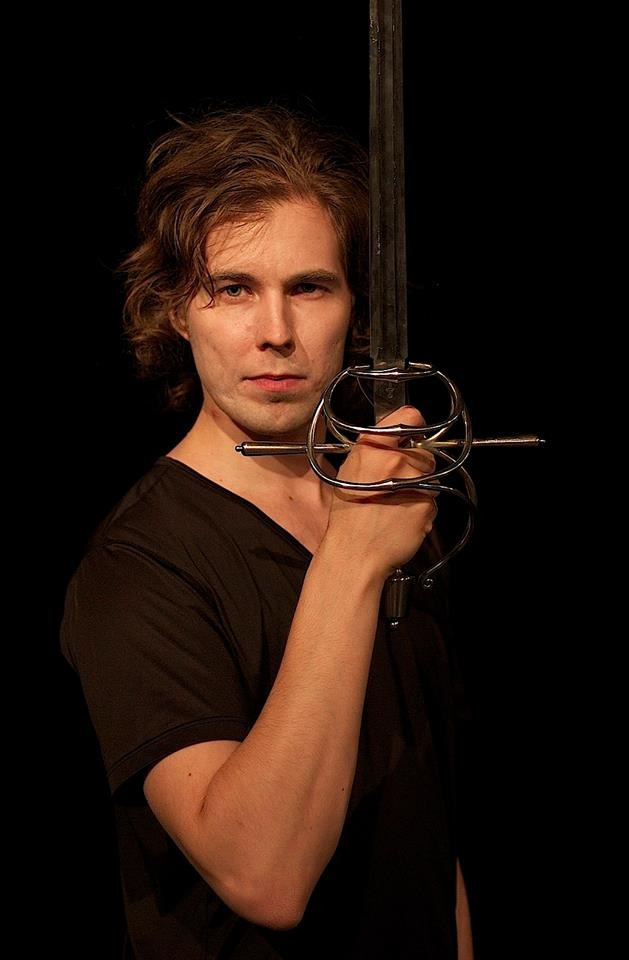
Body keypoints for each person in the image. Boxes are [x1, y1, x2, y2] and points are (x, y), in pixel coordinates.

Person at [61, 104, 474, 959]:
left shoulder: (387, 512)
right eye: (233, 289)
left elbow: (425, 830)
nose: (275, 333)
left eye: (309, 287)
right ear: (177, 309)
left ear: (353, 305)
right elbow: (262, 877)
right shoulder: (139, 566)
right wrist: (351, 561)